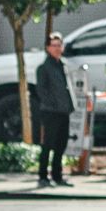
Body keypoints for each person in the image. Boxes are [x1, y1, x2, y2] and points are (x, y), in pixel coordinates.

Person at [33, 33, 74, 188]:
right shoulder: (44, 68)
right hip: (51, 112)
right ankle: (43, 176)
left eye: (59, 45)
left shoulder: (63, 66)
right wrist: (53, 104)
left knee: (61, 144)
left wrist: (70, 106)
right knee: (48, 144)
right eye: (54, 46)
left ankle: (57, 175)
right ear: (48, 48)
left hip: (64, 111)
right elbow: (41, 91)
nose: (57, 49)